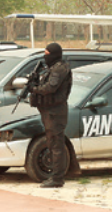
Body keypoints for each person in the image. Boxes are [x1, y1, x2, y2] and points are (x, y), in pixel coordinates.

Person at [29, 43, 73, 188]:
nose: (45, 56)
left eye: (47, 53)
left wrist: (35, 89)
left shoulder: (60, 68)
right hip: (49, 111)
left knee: (56, 145)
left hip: (56, 112)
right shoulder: (53, 68)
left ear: (54, 54)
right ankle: (55, 176)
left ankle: (57, 179)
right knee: (52, 143)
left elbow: (50, 88)